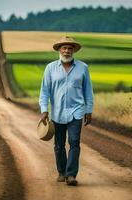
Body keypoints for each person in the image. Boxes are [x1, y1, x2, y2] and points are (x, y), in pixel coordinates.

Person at [39, 36, 94, 186]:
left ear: (74, 50)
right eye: (64, 48)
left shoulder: (83, 68)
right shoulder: (50, 68)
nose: (67, 51)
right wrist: (44, 110)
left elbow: (88, 91)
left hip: (76, 111)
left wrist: (88, 110)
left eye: (70, 48)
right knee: (59, 145)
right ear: (59, 50)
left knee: (74, 142)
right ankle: (61, 172)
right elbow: (44, 92)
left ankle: (71, 175)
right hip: (57, 113)